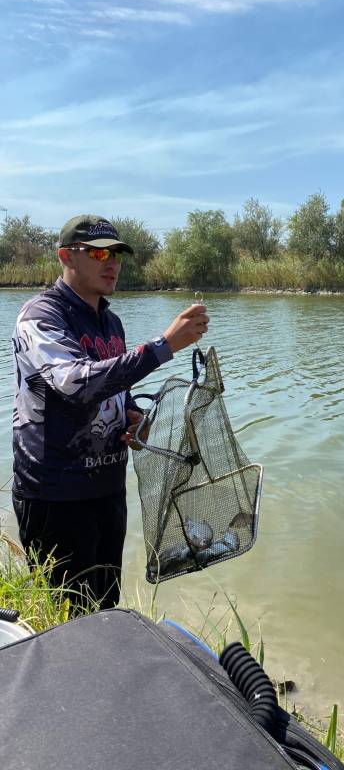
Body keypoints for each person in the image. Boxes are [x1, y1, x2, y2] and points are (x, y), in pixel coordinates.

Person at [12, 214, 209, 611]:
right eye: (99, 252)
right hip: (56, 493)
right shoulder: (40, 316)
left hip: (106, 487)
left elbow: (115, 390)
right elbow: (75, 382)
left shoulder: (111, 321)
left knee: (104, 608)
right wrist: (164, 346)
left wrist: (132, 417)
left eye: (117, 253)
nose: (112, 262)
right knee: (67, 618)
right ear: (66, 256)